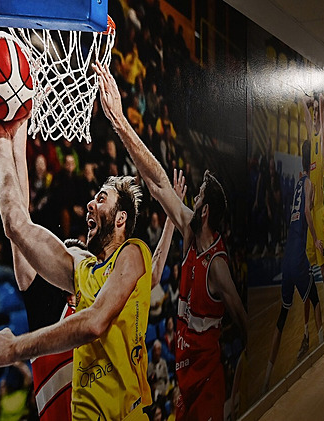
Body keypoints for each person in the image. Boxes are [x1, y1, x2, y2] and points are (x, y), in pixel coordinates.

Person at [0, 86, 154, 420]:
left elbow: (95, 320)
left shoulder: (130, 258)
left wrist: (15, 347)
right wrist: (7, 136)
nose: (90, 202)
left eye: (101, 199)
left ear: (120, 219)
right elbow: (18, 221)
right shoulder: (50, 299)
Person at [95, 62, 248, 421]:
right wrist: (120, 122)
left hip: (207, 380)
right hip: (184, 376)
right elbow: (157, 183)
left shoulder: (219, 267)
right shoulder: (190, 231)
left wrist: (237, 387)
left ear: (205, 211)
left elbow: (244, 325)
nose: (189, 202)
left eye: (195, 199)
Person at [262, 140, 323, 394]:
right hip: (298, 258)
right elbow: (308, 214)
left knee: (282, 316)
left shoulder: (297, 184)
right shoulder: (308, 183)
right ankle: (322, 350)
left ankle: (266, 378)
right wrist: (316, 236)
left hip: (287, 259)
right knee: (317, 301)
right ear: (311, 163)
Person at [300, 94, 324, 331]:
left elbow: (322, 115)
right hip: (309, 219)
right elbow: (304, 111)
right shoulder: (309, 141)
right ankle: (305, 328)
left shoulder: (320, 140)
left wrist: (320, 100)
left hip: (318, 217)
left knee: (323, 272)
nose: (313, 123)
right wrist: (305, 101)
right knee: (307, 276)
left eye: (316, 120)